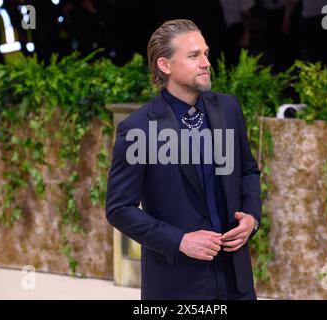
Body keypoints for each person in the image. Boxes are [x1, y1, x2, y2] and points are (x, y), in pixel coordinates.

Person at [106, 19, 262, 300]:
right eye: (194, 56)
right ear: (165, 65)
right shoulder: (137, 128)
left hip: (235, 281)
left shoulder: (228, 108)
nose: (206, 63)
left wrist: (252, 217)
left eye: (206, 53)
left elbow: (248, 171)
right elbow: (119, 208)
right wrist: (180, 241)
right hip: (175, 284)